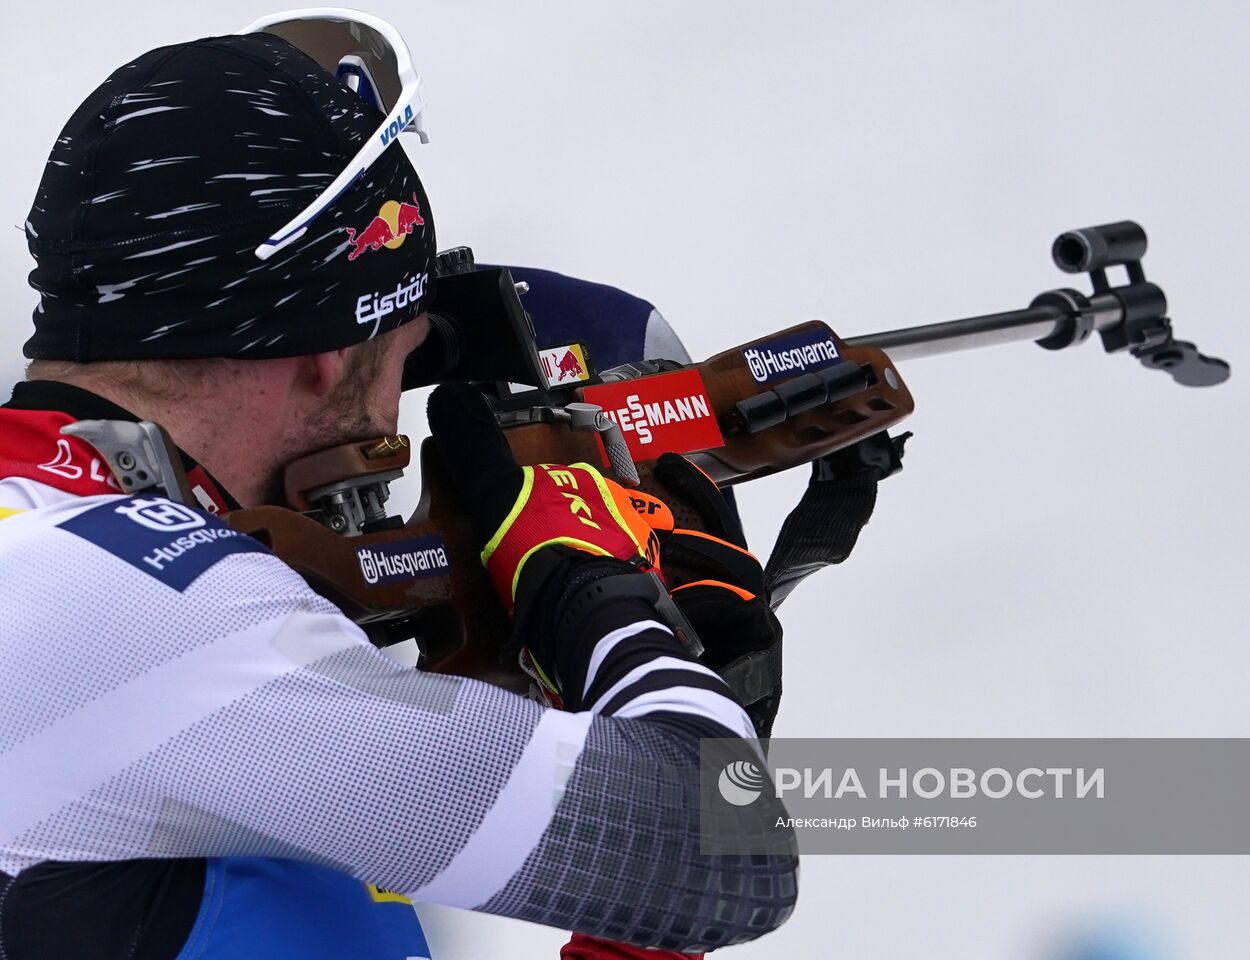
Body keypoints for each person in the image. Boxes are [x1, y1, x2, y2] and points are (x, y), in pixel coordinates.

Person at [0, 22, 796, 960]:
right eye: (404, 358)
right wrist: (599, 593)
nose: (391, 416)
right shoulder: (142, 608)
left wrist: (687, 701)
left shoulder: (64, 559)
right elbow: (722, 858)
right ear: (331, 348)